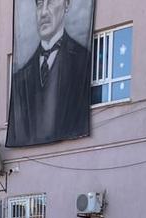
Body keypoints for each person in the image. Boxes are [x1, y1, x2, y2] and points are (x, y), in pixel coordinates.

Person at [5, 0, 92, 147]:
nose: (43, 12)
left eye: (51, 2)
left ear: (66, 4)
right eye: (39, 4)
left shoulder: (83, 60)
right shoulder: (20, 78)